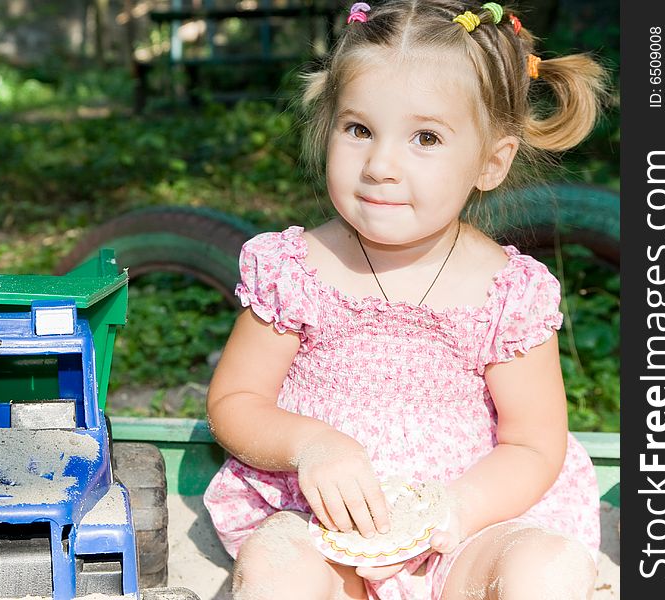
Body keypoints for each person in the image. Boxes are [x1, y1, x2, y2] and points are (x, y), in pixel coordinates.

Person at [203, 1, 609, 599]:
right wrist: (311, 444)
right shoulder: (297, 270)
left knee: (549, 570)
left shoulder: (508, 293)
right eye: (359, 129)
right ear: (327, 127)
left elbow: (533, 443)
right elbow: (235, 401)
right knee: (276, 566)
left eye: (425, 137)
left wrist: (461, 507)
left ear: (492, 162)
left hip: (467, 531)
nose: (381, 166)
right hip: (327, 531)